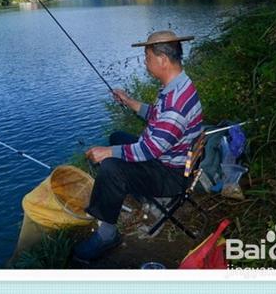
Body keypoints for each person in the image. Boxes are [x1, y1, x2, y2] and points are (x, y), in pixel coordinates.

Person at [73, 30, 204, 263]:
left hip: (171, 176)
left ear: (162, 60)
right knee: (117, 137)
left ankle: (107, 235)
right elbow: (157, 115)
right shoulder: (178, 85)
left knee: (111, 167)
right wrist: (130, 101)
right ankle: (134, 191)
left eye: (147, 57)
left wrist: (107, 154)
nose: (145, 62)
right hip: (173, 159)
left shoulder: (176, 104)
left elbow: (148, 150)